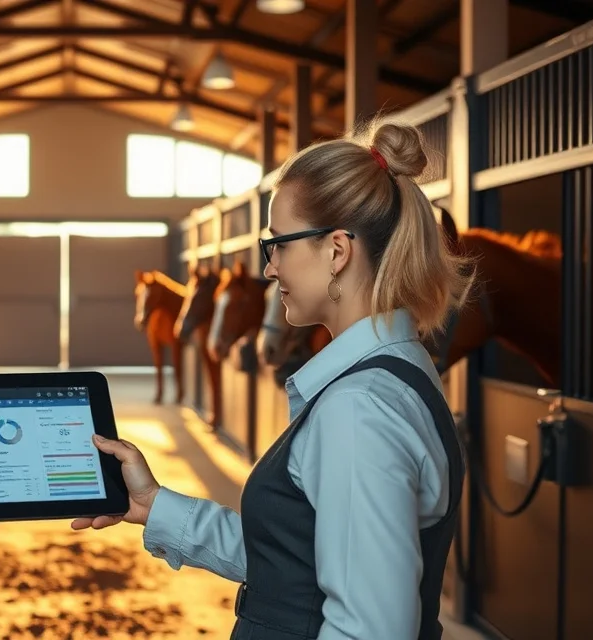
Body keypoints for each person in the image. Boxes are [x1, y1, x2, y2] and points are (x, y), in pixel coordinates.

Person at [72, 120, 475, 640]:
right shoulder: (395, 371)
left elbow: (369, 630)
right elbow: (300, 559)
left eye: (279, 244)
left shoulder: (360, 409)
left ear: (336, 250)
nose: (269, 268)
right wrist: (156, 506)